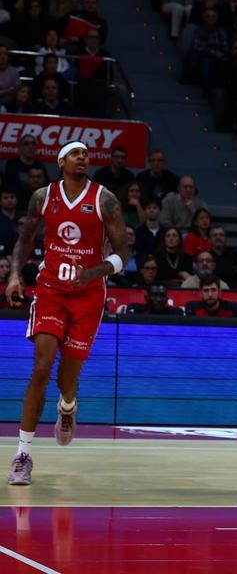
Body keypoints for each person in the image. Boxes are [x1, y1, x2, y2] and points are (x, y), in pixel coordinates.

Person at [6, 142, 128, 485]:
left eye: (87, 154)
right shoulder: (42, 197)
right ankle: (22, 454)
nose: (83, 158)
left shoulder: (105, 200)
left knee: (65, 379)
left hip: (88, 296)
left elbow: (123, 254)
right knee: (41, 367)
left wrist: (91, 273)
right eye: (76, 153)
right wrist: (15, 274)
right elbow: (25, 240)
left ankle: (68, 405)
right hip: (51, 291)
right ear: (61, 162)